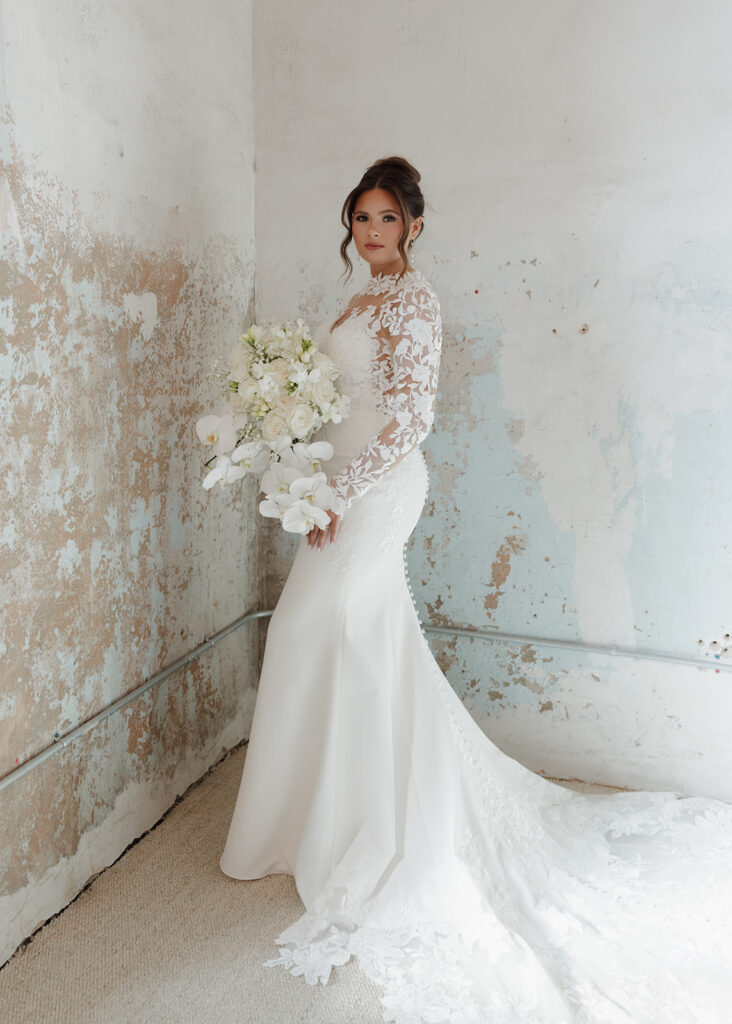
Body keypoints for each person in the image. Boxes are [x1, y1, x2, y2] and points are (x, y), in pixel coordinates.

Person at [220, 157, 732, 1024]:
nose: (370, 232)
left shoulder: (416, 301)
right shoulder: (357, 299)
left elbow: (412, 415)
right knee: (320, 634)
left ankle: (374, 823)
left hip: (377, 490)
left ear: (414, 227)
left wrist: (342, 490)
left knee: (339, 629)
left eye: (386, 220)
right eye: (361, 218)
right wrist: (298, 453)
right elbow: (337, 397)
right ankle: (309, 814)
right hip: (337, 484)